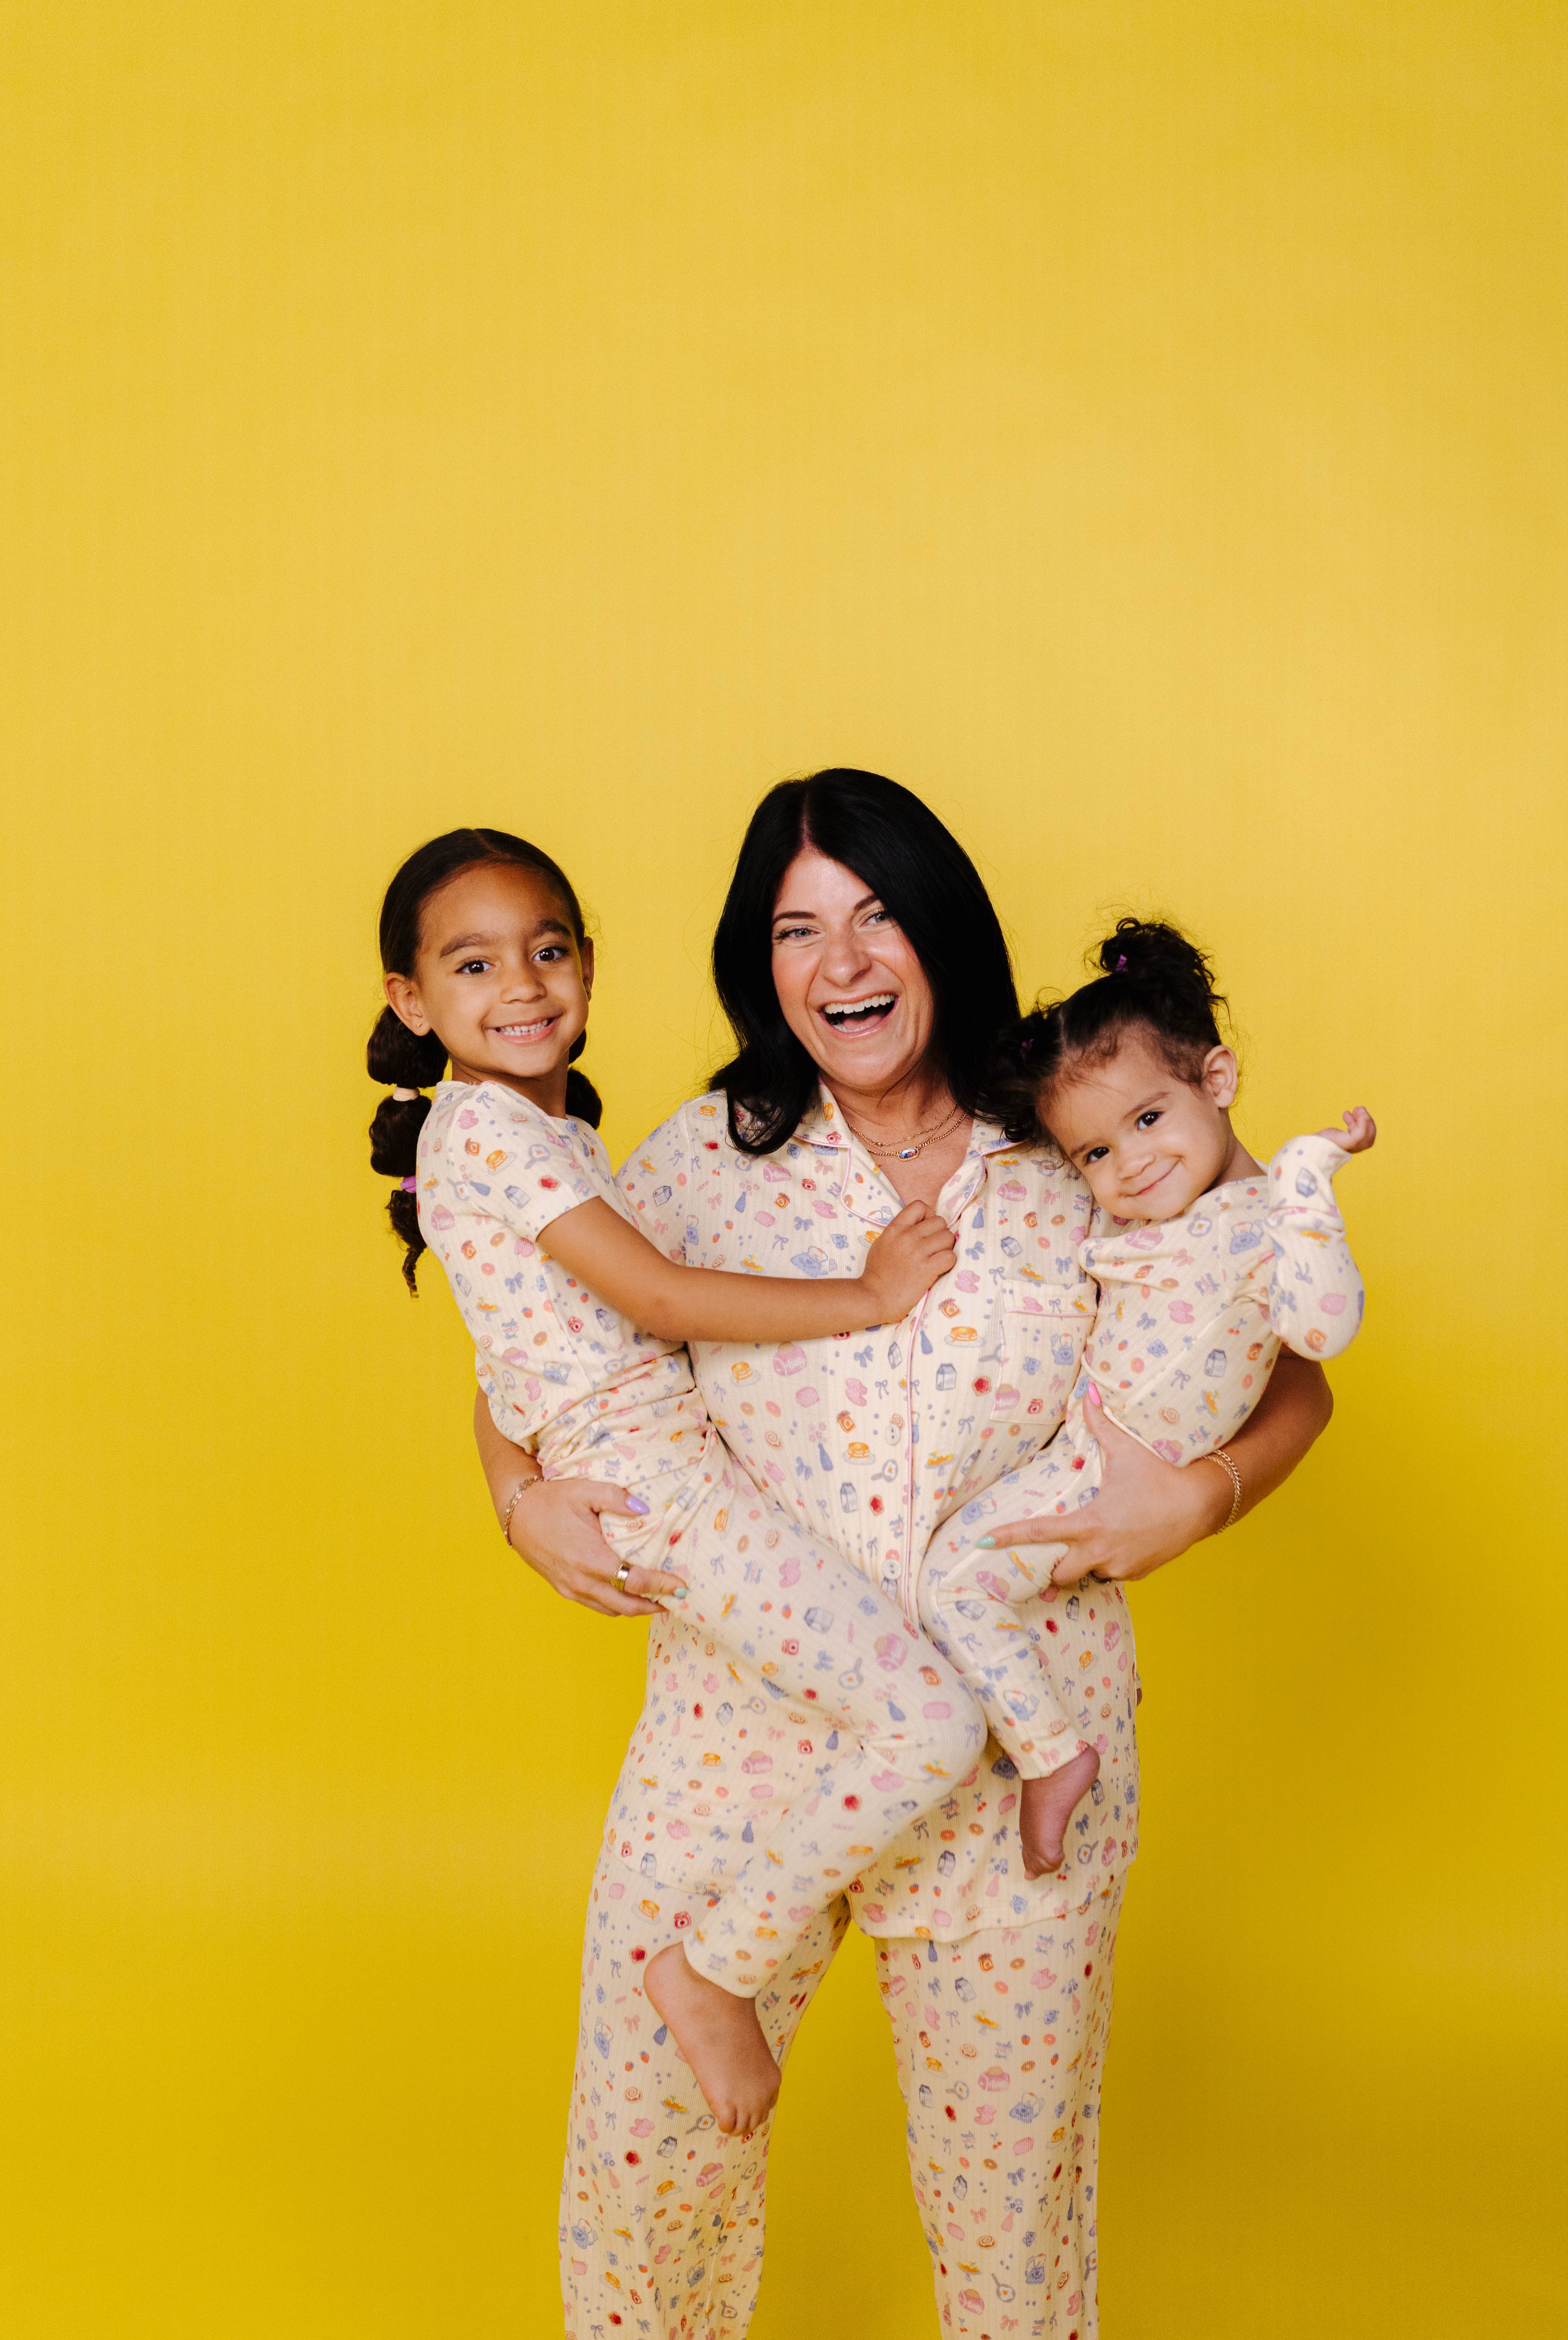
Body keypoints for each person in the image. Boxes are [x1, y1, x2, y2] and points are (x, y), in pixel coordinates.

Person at [472, 771, 1336, 2340]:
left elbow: (1289, 1367)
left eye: (876, 914)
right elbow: (525, 1358)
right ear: (763, 962)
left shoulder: (1084, 1139)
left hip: (1024, 1773)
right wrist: (518, 1501)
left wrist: (1204, 1494)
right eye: (798, 929)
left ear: (938, 931)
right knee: (642, 2201)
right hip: (735, 1761)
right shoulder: (699, 1162)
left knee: (1014, 2243)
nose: (842, 961)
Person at [367, 824, 987, 2136]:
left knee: (909, 1706)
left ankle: (716, 1958)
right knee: (931, 1723)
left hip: (663, 1467)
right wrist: (871, 1291)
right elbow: (654, 1295)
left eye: (547, 950)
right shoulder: (490, 1134)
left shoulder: (551, 1134)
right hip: (657, 1487)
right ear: (410, 1002)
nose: (523, 986)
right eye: (473, 965)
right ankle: (711, 1968)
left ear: (591, 963)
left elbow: (533, 1337)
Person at [919, 915, 1374, 1878]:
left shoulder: (1262, 1229)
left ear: (1217, 1081)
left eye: (1149, 1119)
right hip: (1080, 1451)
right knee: (949, 1576)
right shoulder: (1160, 1215)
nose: (1127, 1164)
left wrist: (1304, 1183)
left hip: (1114, 1465)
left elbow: (1324, 1332)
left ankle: (1052, 1758)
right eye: (1093, 1153)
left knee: (954, 1577)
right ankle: (1038, 1749)